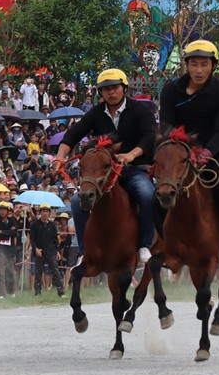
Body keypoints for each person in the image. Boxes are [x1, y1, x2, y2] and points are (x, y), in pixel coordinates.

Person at [158, 40, 219, 276]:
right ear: (186, 65)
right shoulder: (170, 90)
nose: (198, 70)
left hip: (217, 151)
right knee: (155, 195)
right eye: (194, 64)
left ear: (213, 66)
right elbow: (166, 125)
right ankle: (164, 245)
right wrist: (182, 149)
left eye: (204, 64)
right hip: (179, 151)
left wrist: (205, 153)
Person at [52, 68, 157, 265]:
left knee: (147, 194)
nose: (111, 92)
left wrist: (131, 155)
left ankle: (144, 245)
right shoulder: (96, 112)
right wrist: (59, 157)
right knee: (76, 202)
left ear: (124, 88)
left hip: (133, 170)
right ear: (100, 92)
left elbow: (150, 136)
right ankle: (85, 252)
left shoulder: (139, 109)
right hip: (103, 174)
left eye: (115, 87)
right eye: (106, 89)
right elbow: (73, 134)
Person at [29, 204, 65, 297]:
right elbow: (32, 239)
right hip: (39, 251)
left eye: (47, 211)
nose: (45, 213)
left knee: (56, 271)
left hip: (51, 251)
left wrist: (57, 251)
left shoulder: (52, 225)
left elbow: (55, 239)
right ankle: (37, 293)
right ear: (40, 213)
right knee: (38, 273)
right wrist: (35, 249)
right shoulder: (34, 225)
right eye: (43, 211)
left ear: (49, 213)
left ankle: (61, 292)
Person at [0, 201, 19, 299]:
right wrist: (8, 232)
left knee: (11, 272)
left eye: (4, 209)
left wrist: (2, 231)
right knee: (0, 273)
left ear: (8, 211)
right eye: (0, 209)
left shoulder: (12, 220)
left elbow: (14, 233)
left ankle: (11, 291)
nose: (2, 211)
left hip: (9, 250)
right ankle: (1, 294)